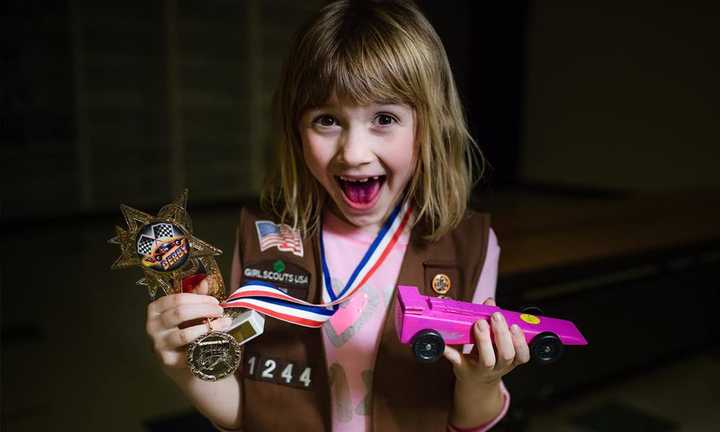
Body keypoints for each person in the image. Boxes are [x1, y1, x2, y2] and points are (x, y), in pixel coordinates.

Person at [145, 1, 530, 430]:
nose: (354, 153)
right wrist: (185, 368)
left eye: (384, 118)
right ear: (296, 131)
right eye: (327, 120)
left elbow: (467, 421)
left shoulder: (471, 246)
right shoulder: (260, 237)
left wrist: (483, 379)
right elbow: (249, 412)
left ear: (429, 125)